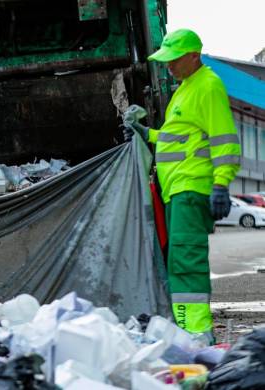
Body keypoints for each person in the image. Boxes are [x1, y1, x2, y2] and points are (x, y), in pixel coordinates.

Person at [123, 29, 241, 342]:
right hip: (178, 189)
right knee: (178, 262)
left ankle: (198, 332)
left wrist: (221, 183)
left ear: (193, 56)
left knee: (187, 261)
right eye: (166, 61)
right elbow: (179, 137)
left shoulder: (208, 85)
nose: (169, 66)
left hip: (192, 187)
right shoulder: (187, 87)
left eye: (174, 60)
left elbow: (224, 139)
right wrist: (145, 133)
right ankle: (187, 328)